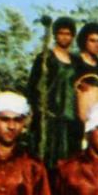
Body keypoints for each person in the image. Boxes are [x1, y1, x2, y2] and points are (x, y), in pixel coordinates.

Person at [27, 16, 82, 168]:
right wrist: (40, 110)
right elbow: (33, 87)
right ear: (55, 35)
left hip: (71, 118)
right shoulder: (46, 58)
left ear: (73, 36)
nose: (64, 37)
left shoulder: (77, 61)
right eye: (61, 33)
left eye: (68, 34)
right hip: (51, 118)